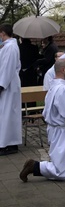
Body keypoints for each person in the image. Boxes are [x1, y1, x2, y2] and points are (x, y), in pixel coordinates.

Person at [0, 24, 22, 156]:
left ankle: (7, 143)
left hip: (7, 84)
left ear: (3, 33)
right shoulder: (7, 46)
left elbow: (7, 67)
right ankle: (8, 142)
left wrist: (1, 84)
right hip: (8, 83)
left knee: (7, 115)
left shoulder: (10, 47)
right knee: (6, 115)